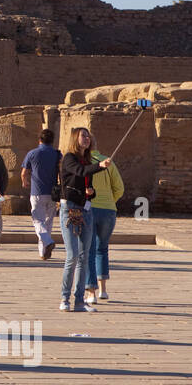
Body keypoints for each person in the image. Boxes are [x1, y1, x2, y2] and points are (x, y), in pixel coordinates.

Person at [58, 127, 112, 313]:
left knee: (83, 257)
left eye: (89, 135)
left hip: (86, 210)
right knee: (72, 256)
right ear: (75, 138)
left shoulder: (86, 160)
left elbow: (86, 185)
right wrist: (100, 166)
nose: (87, 138)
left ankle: (79, 300)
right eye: (83, 135)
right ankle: (65, 297)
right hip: (70, 210)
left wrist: (92, 192)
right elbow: (80, 171)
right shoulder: (69, 159)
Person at [84, 133, 124, 303]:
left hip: (90, 209)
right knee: (103, 249)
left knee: (89, 250)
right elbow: (119, 188)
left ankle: (91, 293)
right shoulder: (108, 161)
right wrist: (110, 202)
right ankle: (103, 290)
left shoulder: (83, 163)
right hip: (108, 211)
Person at [22, 128, 61, 260]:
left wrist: (25, 181)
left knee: (38, 220)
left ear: (39, 140)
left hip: (37, 191)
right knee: (48, 222)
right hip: (53, 193)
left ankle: (48, 243)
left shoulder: (32, 153)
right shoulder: (57, 154)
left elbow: (24, 172)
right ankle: (43, 252)